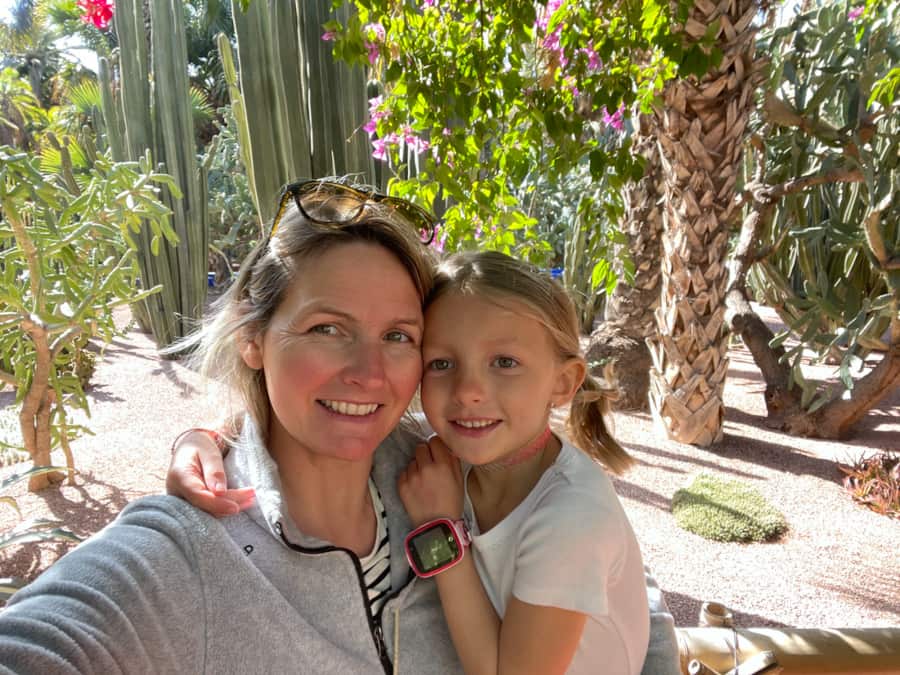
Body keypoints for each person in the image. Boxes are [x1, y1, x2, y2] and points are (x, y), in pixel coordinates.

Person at [0, 179, 462, 674]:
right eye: (327, 328)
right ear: (251, 337)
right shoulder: (189, 552)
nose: (370, 373)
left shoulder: (451, 471)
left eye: (397, 335)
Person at [171, 250, 651, 674]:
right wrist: (207, 437)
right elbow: (317, 411)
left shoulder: (570, 520)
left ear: (564, 383)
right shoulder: (458, 447)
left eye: (504, 362)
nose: (468, 392)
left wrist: (441, 532)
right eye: (442, 363)